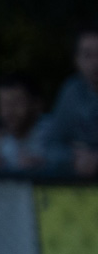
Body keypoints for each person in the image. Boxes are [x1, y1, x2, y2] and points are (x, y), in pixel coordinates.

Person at [37, 24, 98, 177]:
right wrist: (74, 158)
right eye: (88, 55)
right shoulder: (71, 92)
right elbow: (50, 147)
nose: (95, 62)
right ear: (77, 60)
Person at [0, 74, 46, 170]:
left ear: (36, 104)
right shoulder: (0, 141)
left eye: (16, 102)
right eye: (3, 104)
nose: (8, 111)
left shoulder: (55, 135)